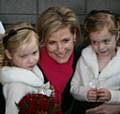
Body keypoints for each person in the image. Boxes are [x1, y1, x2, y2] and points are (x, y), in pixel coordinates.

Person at [36, 6, 87, 114]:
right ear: (43, 41)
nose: (60, 49)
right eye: (52, 42)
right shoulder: (31, 63)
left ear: (74, 35)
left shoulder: (87, 60)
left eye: (65, 40)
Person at [70, 9, 120, 114]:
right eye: (94, 42)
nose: (100, 47)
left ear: (117, 36)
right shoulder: (84, 58)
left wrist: (112, 95)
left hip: (111, 107)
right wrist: (85, 94)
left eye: (106, 41)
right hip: (83, 108)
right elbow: (73, 88)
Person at [0, 22, 52, 114]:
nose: (31, 60)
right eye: (23, 56)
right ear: (9, 54)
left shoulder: (36, 70)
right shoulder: (15, 87)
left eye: (34, 53)